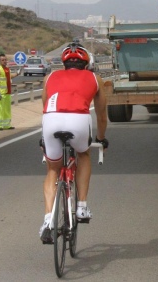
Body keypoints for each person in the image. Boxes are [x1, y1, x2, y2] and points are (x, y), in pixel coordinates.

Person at [39, 43, 108, 244]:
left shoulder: (50, 77)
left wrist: (44, 136)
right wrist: (101, 139)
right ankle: (82, 207)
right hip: (79, 120)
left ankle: (47, 222)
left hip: (51, 120)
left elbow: (45, 106)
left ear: (64, 63)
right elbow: (102, 116)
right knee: (84, 154)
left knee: (52, 169)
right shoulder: (95, 79)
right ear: (86, 64)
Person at [0, 55, 18, 130]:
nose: (4, 61)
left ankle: (7, 125)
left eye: (5, 60)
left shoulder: (7, 69)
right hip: (1, 94)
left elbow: (10, 77)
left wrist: (17, 74)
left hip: (7, 93)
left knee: (7, 110)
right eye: (3, 60)